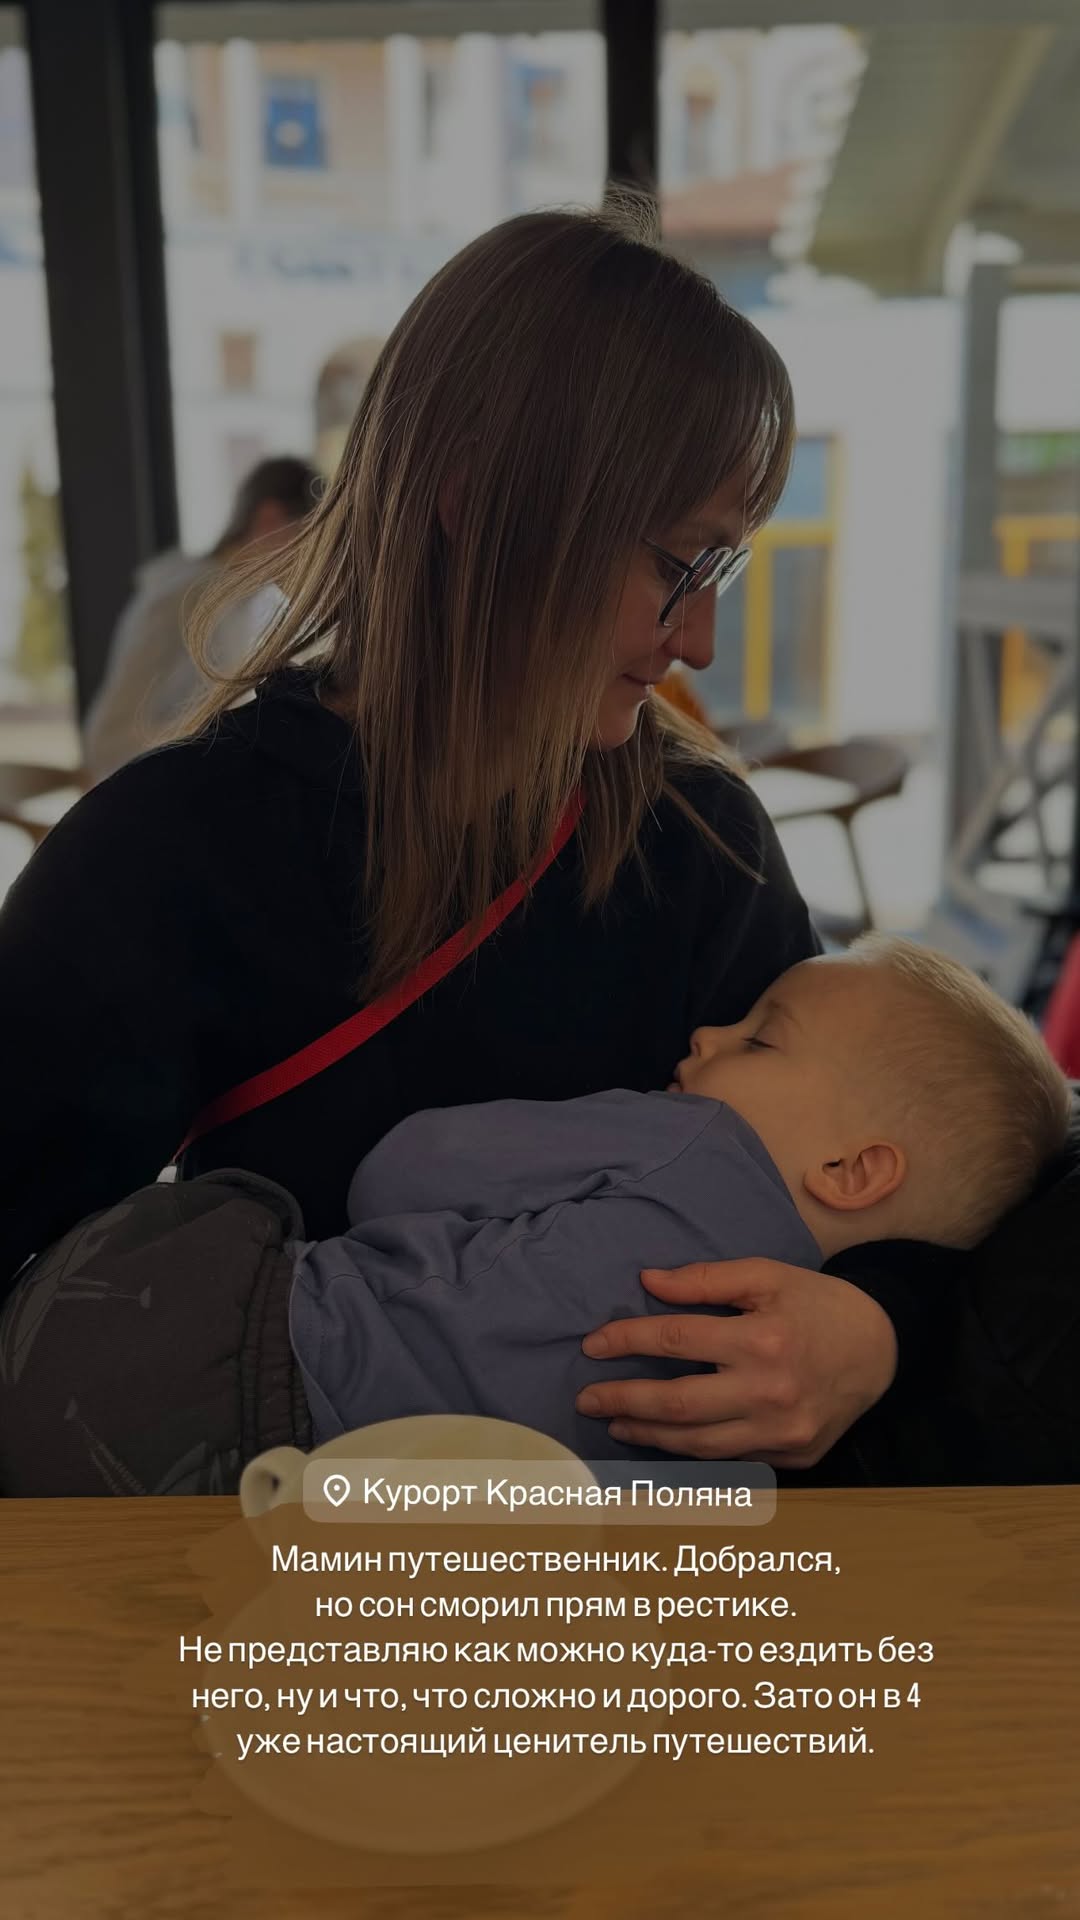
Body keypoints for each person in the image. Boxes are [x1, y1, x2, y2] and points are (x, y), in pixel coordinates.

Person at [0, 202, 948, 1476]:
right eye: (681, 566)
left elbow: (915, 1163)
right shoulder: (167, 849)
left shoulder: (697, 841)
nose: (699, 642)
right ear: (474, 503)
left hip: (645, 1594)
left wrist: (875, 1332)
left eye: (720, 575)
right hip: (290, 1590)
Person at [288, 939, 1071, 1459]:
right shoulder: (774, 1404)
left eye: (760, 1039)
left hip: (291, 1344)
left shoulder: (690, 1140)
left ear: (852, 1170)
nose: (706, 1034)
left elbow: (399, 1172)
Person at [82, 454, 322, 782]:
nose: (315, 559)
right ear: (269, 519)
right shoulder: (184, 597)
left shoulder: (244, 602)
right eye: (309, 538)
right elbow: (108, 740)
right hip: (147, 795)